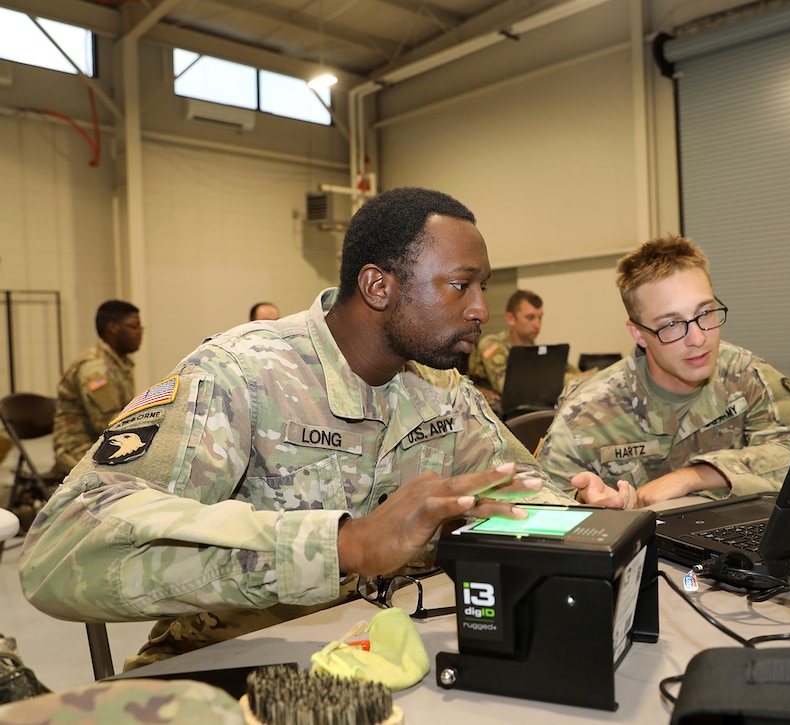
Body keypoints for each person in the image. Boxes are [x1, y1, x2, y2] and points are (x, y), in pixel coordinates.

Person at [19, 188, 627, 669]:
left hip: (383, 650)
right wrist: (341, 545)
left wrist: (580, 515)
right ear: (379, 285)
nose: (480, 309)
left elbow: (512, 480)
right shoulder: (238, 375)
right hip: (239, 663)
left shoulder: (441, 388)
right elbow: (58, 553)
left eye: (483, 287)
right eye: (460, 285)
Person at [536, 235, 790, 508]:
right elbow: (542, 509)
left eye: (705, 313)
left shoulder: (745, 375)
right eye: (671, 324)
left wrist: (698, 475)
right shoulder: (585, 416)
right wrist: (585, 504)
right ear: (639, 334)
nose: (698, 338)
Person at [51, 300, 142, 477]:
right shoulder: (95, 369)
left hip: (101, 442)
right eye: (134, 327)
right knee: (144, 470)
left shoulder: (119, 363)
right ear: (113, 327)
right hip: (78, 449)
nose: (140, 333)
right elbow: (110, 425)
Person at [467, 289, 578, 410]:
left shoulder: (536, 351)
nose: (537, 325)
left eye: (540, 317)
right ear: (511, 318)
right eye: (530, 318)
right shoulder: (493, 345)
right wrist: (568, 379)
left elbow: (575, 373)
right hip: (492, 415)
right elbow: (510, 387)